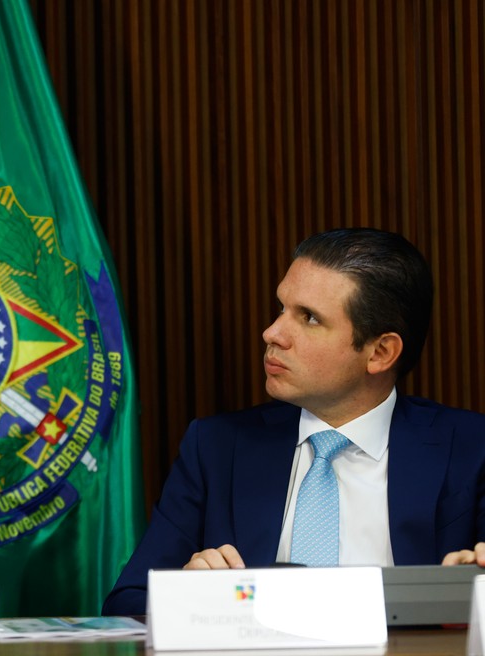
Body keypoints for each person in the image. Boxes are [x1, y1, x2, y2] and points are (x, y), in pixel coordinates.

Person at [103, 227, 485, 616]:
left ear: (381, 352)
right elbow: (125, 604)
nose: (272, 333)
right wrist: (190, 597)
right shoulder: (216, 447)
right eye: (281, 308)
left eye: (310, 318)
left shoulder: (472, 449)